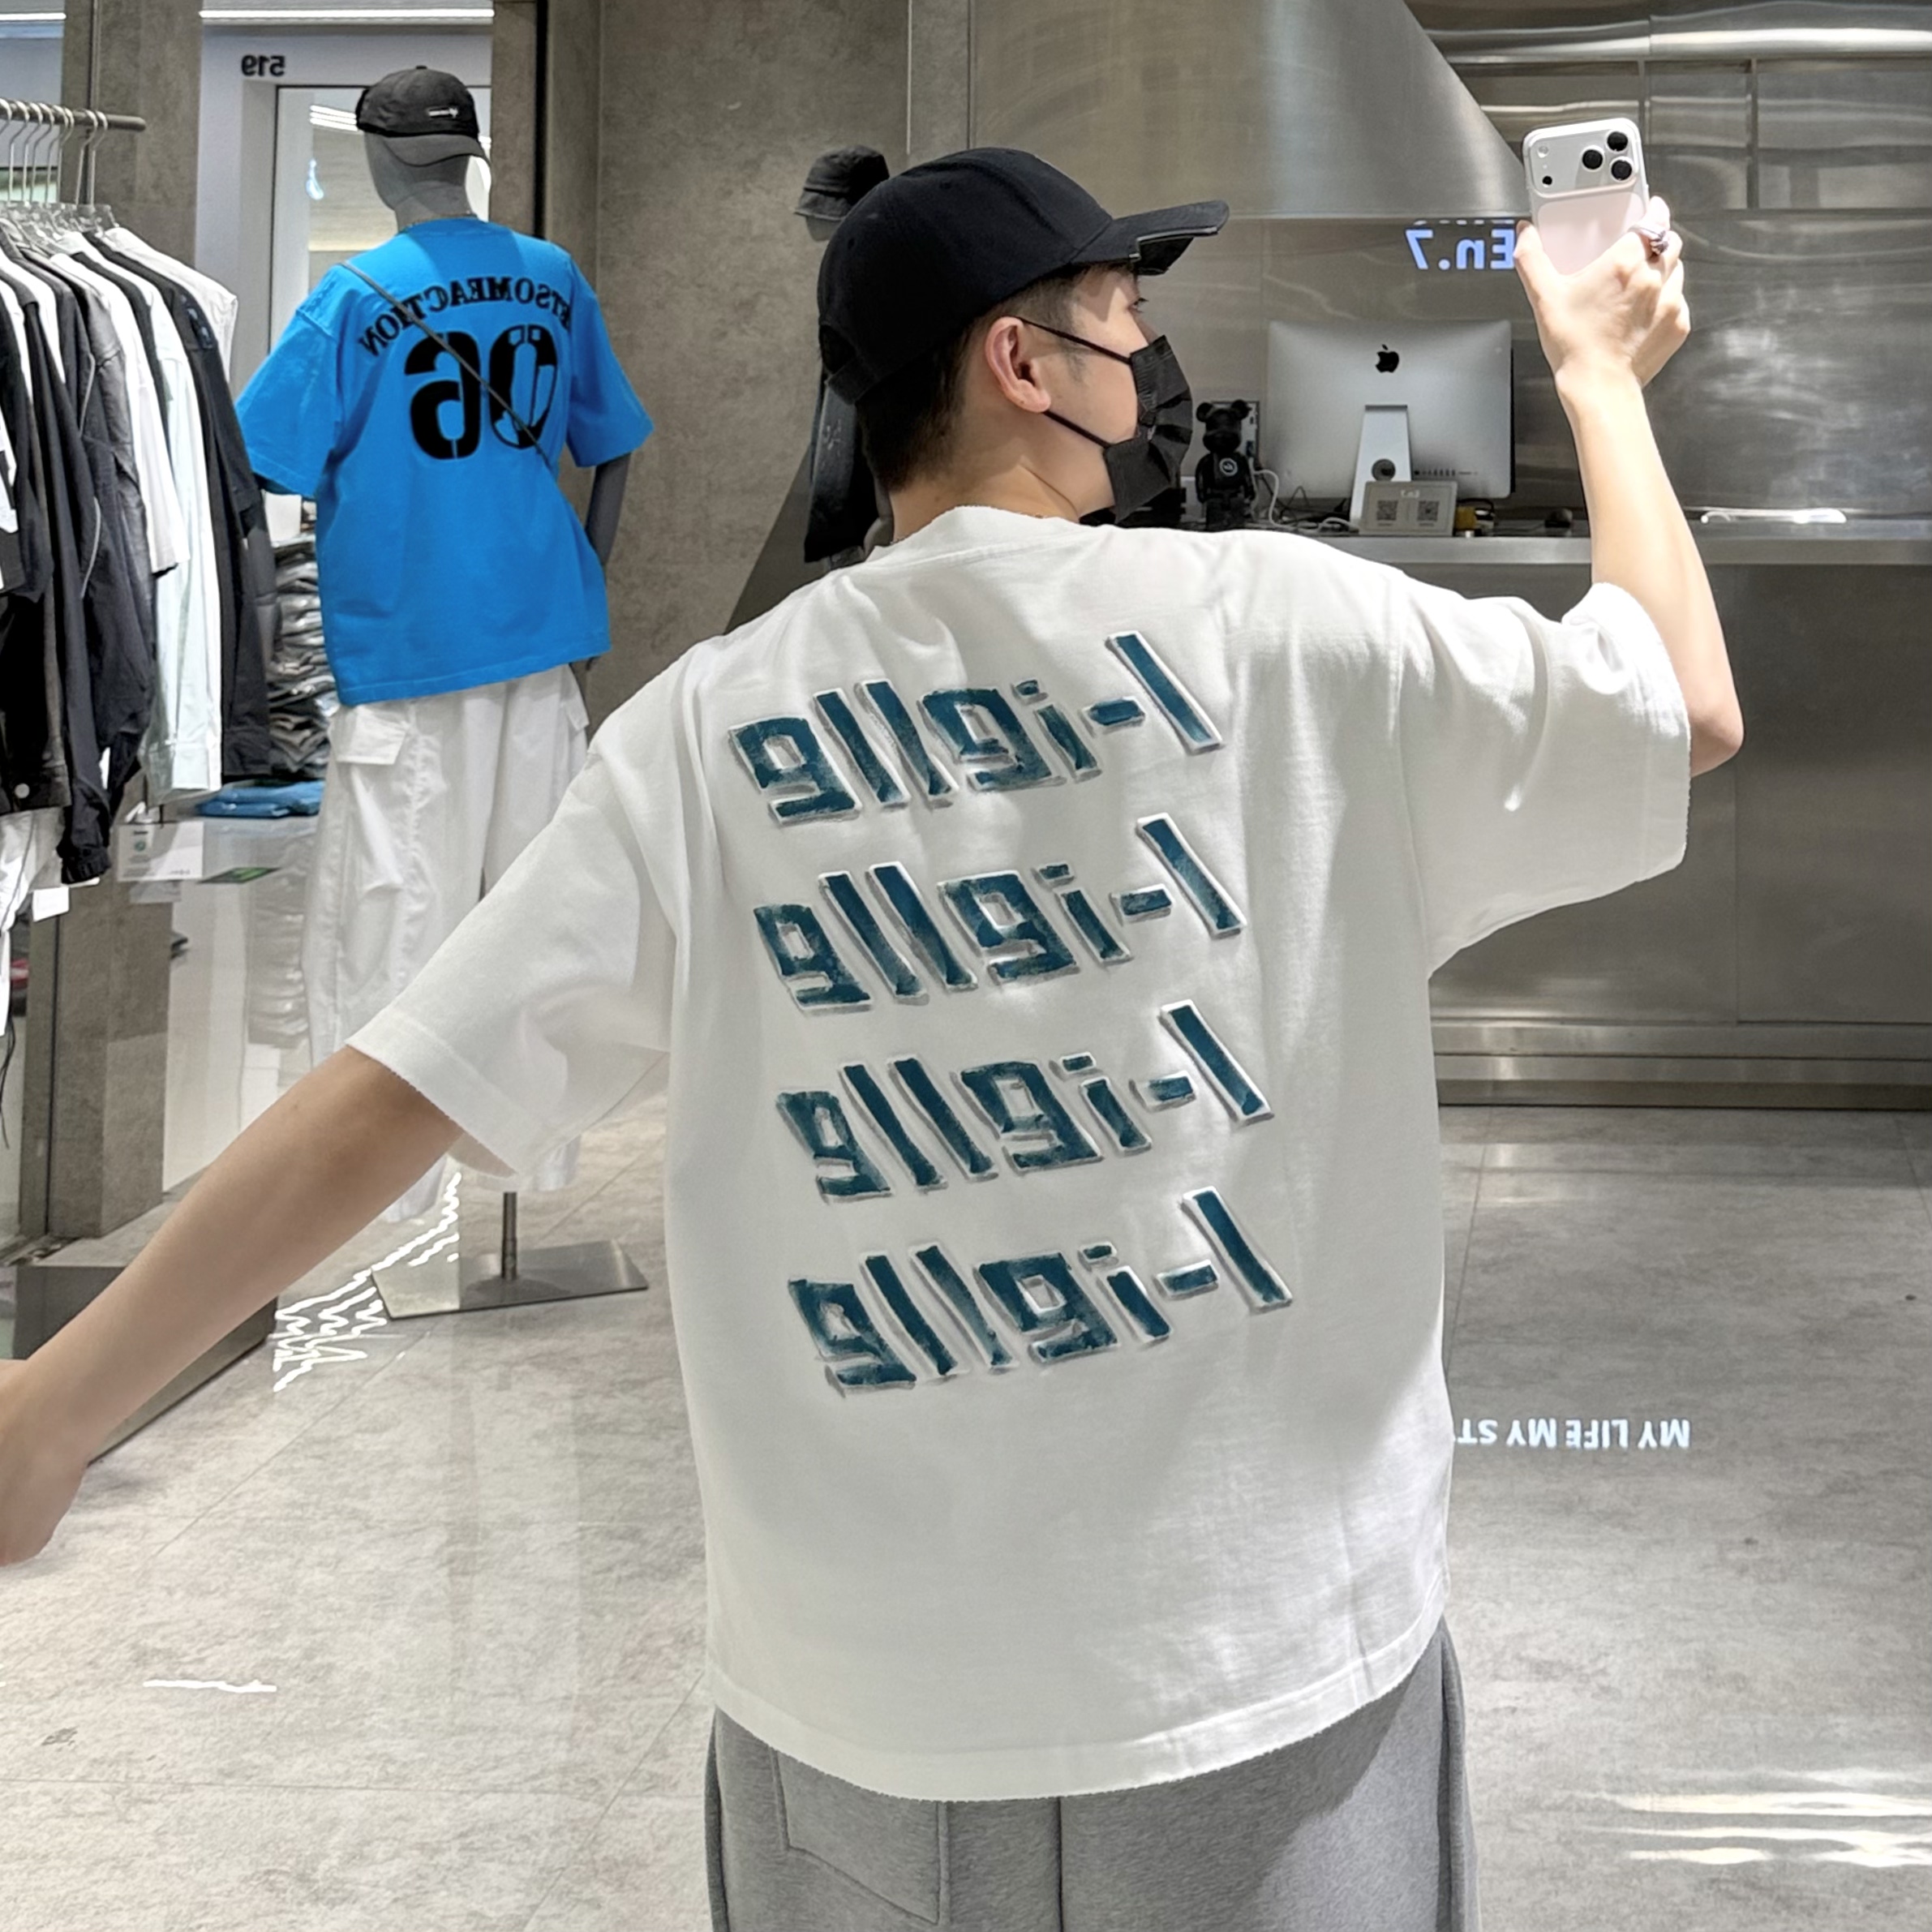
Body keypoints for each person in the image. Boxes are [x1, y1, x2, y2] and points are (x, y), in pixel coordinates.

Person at [0, 148, 1738, 1930]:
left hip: (857, 1704)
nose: (1150, 361)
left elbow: (398, 1088)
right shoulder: (1290, 629)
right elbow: (1676, 703)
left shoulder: (706, 730)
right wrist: (1598, 376)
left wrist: (56, 1414)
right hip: (1256, 1659)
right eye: (1124, 315)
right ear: (1021, 362)